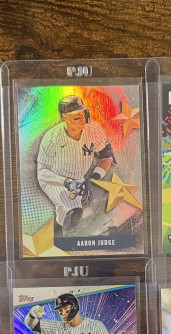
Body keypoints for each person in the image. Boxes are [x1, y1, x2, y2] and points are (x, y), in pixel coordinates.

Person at [36, 95, 116, 236]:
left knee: (64, 216)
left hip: (77, 179)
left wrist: (92, 180)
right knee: (74, 212)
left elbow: (106, 158)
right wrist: (66, 182)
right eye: (76, 116)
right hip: (53, 180)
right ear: (65, 117)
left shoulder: (94, 130)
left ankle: (54, 239)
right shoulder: (52, 138)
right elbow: (42, 172)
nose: (82, 118)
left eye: (83, 113)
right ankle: (67, 243)